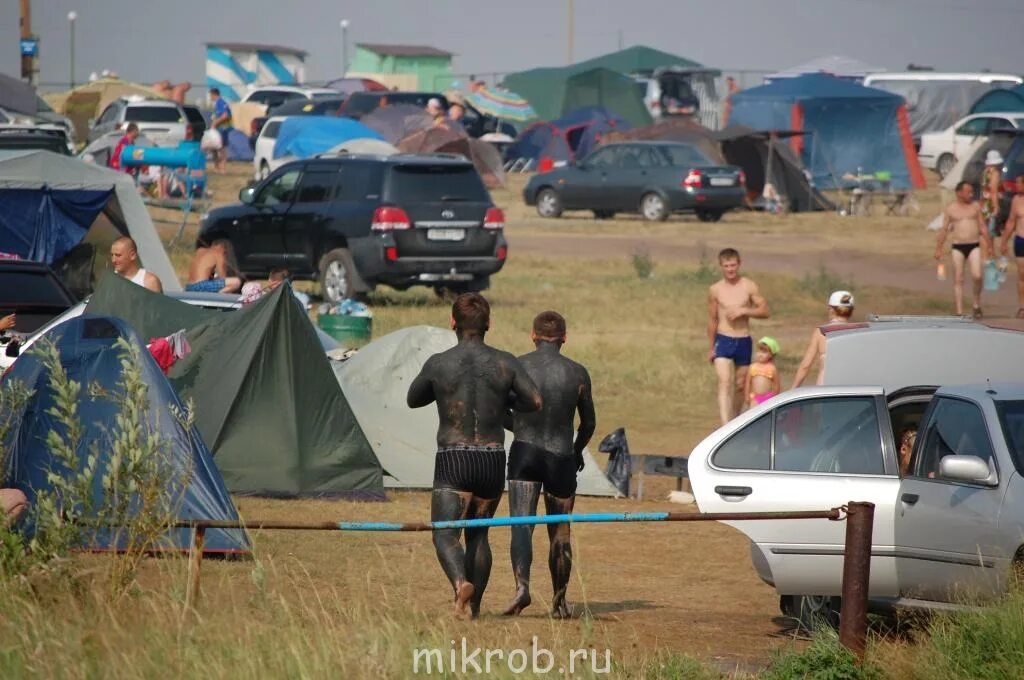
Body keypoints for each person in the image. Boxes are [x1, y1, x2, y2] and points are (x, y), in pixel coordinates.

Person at [406, 293, 542, 619]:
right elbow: (535, 401)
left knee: (444, 532)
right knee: (479, 535)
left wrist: (444, 390)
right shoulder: (505, 362)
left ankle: (459, 584)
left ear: (453, 322)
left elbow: (413, 398)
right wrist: (500, 404)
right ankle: (474, 609)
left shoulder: (439, 363)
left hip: (454, 458)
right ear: (488, 325)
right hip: (492, 459)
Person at [502, 311, 595, 619]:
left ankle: (521, 588)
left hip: (524, 454)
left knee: (520, 525)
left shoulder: (517, 366)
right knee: (560, 533)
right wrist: (578, 450)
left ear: (533, 335)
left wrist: (520, 429)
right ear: (564, 339)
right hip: (561, 457)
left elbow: (498, 409)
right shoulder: (577, 373)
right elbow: (589, 424)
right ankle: (559, 602)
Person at [707, 248, 770, 426]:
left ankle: (733, 422)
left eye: (733, 265)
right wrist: (711, 347)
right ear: (721, 266)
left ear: (739, 264)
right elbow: (712, 319)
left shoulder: (748, 286)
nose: (730, 269)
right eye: (726, 266)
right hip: (723, 338)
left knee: (741, 385)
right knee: (725, 382)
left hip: (743, 339)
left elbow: (765, 311)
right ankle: (724, 424)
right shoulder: (715, 290)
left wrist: (745, 310)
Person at [935, 181, 993, 318]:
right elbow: (944, 230)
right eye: (968, 192)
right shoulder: (951, 209)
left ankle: (976, 304)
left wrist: (990, 245)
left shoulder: (975, 206)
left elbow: (983, 226)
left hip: (974, 245)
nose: (971, 194)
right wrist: (939, 248)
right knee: (958, 278)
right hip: (958, 246)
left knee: (977, 275)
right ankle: (959, 311)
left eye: (972, 192)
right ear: (959, 193)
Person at [792, 291, 854, 388]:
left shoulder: (822, 332)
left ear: (831, 310)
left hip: (825, 388)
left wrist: (793, 389)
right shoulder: (859, 331)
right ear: (851, 311)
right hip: (850, 387)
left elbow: (806, 365)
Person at [999, 176, 1024, 317]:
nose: (1016, 186)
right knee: (1022, 274)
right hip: (1020, 239)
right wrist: (1004, 241)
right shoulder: (1016, 200)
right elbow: (1011, 221)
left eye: (1019, 183)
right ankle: (1022, 306)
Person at [746, 336, 781, 408]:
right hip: (755, 398)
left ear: (771, 355)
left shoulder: (772, 368)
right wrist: (747, 395)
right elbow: (747, 383)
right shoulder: (752, 367)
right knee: (754, 415)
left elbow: (776, 385)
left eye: (764, 352)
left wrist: (775, 397)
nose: (760, 354)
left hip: (768, 398)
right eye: (759, 351)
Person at [209, 87, 233, 174]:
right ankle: (217, 167)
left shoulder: (221, 103)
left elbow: (225, 115)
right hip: (217, 130)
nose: (210, 97)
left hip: (222, 129)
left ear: (214, 94)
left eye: (210, 95)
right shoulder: (216, 104)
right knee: (213, 148)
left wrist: (215, 123)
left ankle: (223, 168)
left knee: (221, 149)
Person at [981, 150, 1004, 237]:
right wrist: (996, 207)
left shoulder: (985, 172)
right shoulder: (995, 173)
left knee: (985, 231)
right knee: (991, 232)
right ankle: (990, 249)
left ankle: (986, 249)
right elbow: (994, 191)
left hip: (985, 203)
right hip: (991, 204)